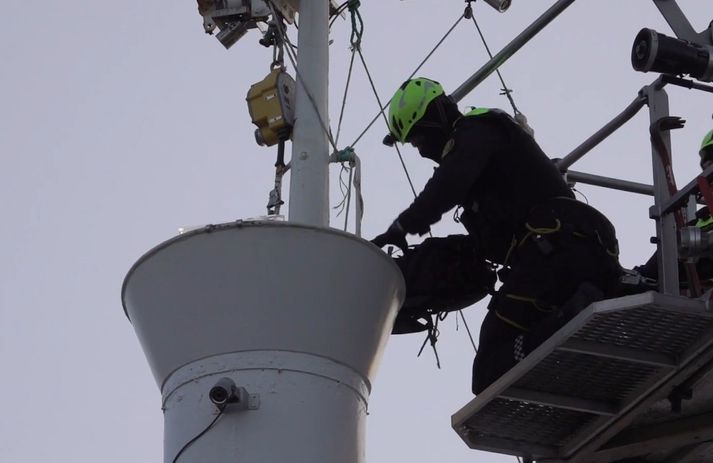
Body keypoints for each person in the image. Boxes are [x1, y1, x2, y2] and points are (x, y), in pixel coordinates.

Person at [371, 77, 622, 394]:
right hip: (566, 255)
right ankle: (576, 324)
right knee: (501, 361)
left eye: (418, 140)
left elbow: (448, 183)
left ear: (433, 117)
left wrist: (402, 226)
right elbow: (477, 250)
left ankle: (575, 316)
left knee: (489, 369)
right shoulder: (491, 173)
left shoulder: (480, 130)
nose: (421, 153)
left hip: (557, 250)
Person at [635, 129, 713, 285]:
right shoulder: (702, 219)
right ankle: (636, 280)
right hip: (696, 267)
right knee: (672, 244)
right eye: (707, 165)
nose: (708, 171)